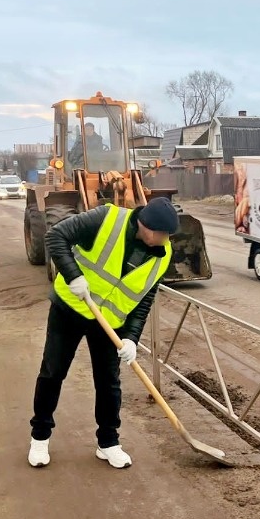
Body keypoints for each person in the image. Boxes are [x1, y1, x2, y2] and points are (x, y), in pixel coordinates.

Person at [27, 196, 179, 469]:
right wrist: (73, 275)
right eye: (161, 234)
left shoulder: (163, 254)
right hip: (71, 308)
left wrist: (131, 338)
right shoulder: (106, 219)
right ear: (145, 225)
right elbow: (55, 236)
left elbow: (144, 299)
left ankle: (108, 443)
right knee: (53, 372)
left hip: (109, 322)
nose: (165, 240)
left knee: (109, 382)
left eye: (168, 235)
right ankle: (40, 437)